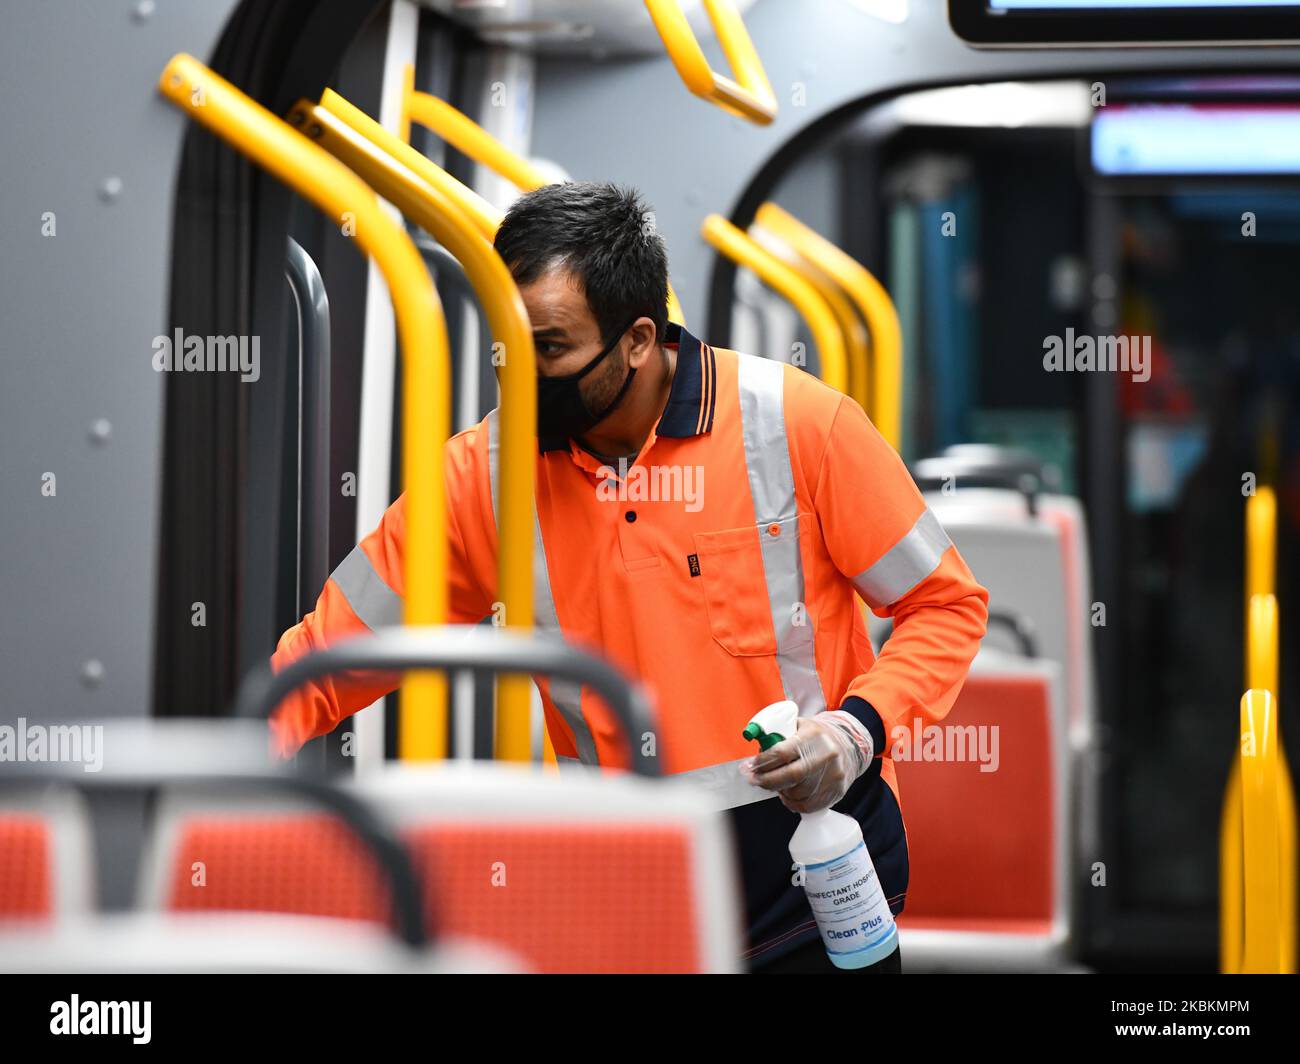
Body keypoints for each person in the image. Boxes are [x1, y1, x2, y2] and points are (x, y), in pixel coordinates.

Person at [270, 182, 988, 973]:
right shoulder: (484, 477)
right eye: (507, 345)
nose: (522, 375)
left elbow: (944, 606)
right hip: (626, 870)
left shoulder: (800, 425)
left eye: (551, 349)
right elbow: (326, 660)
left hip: (811, 855)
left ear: (639, 339)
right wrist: (216, 772)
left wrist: (855, 732)